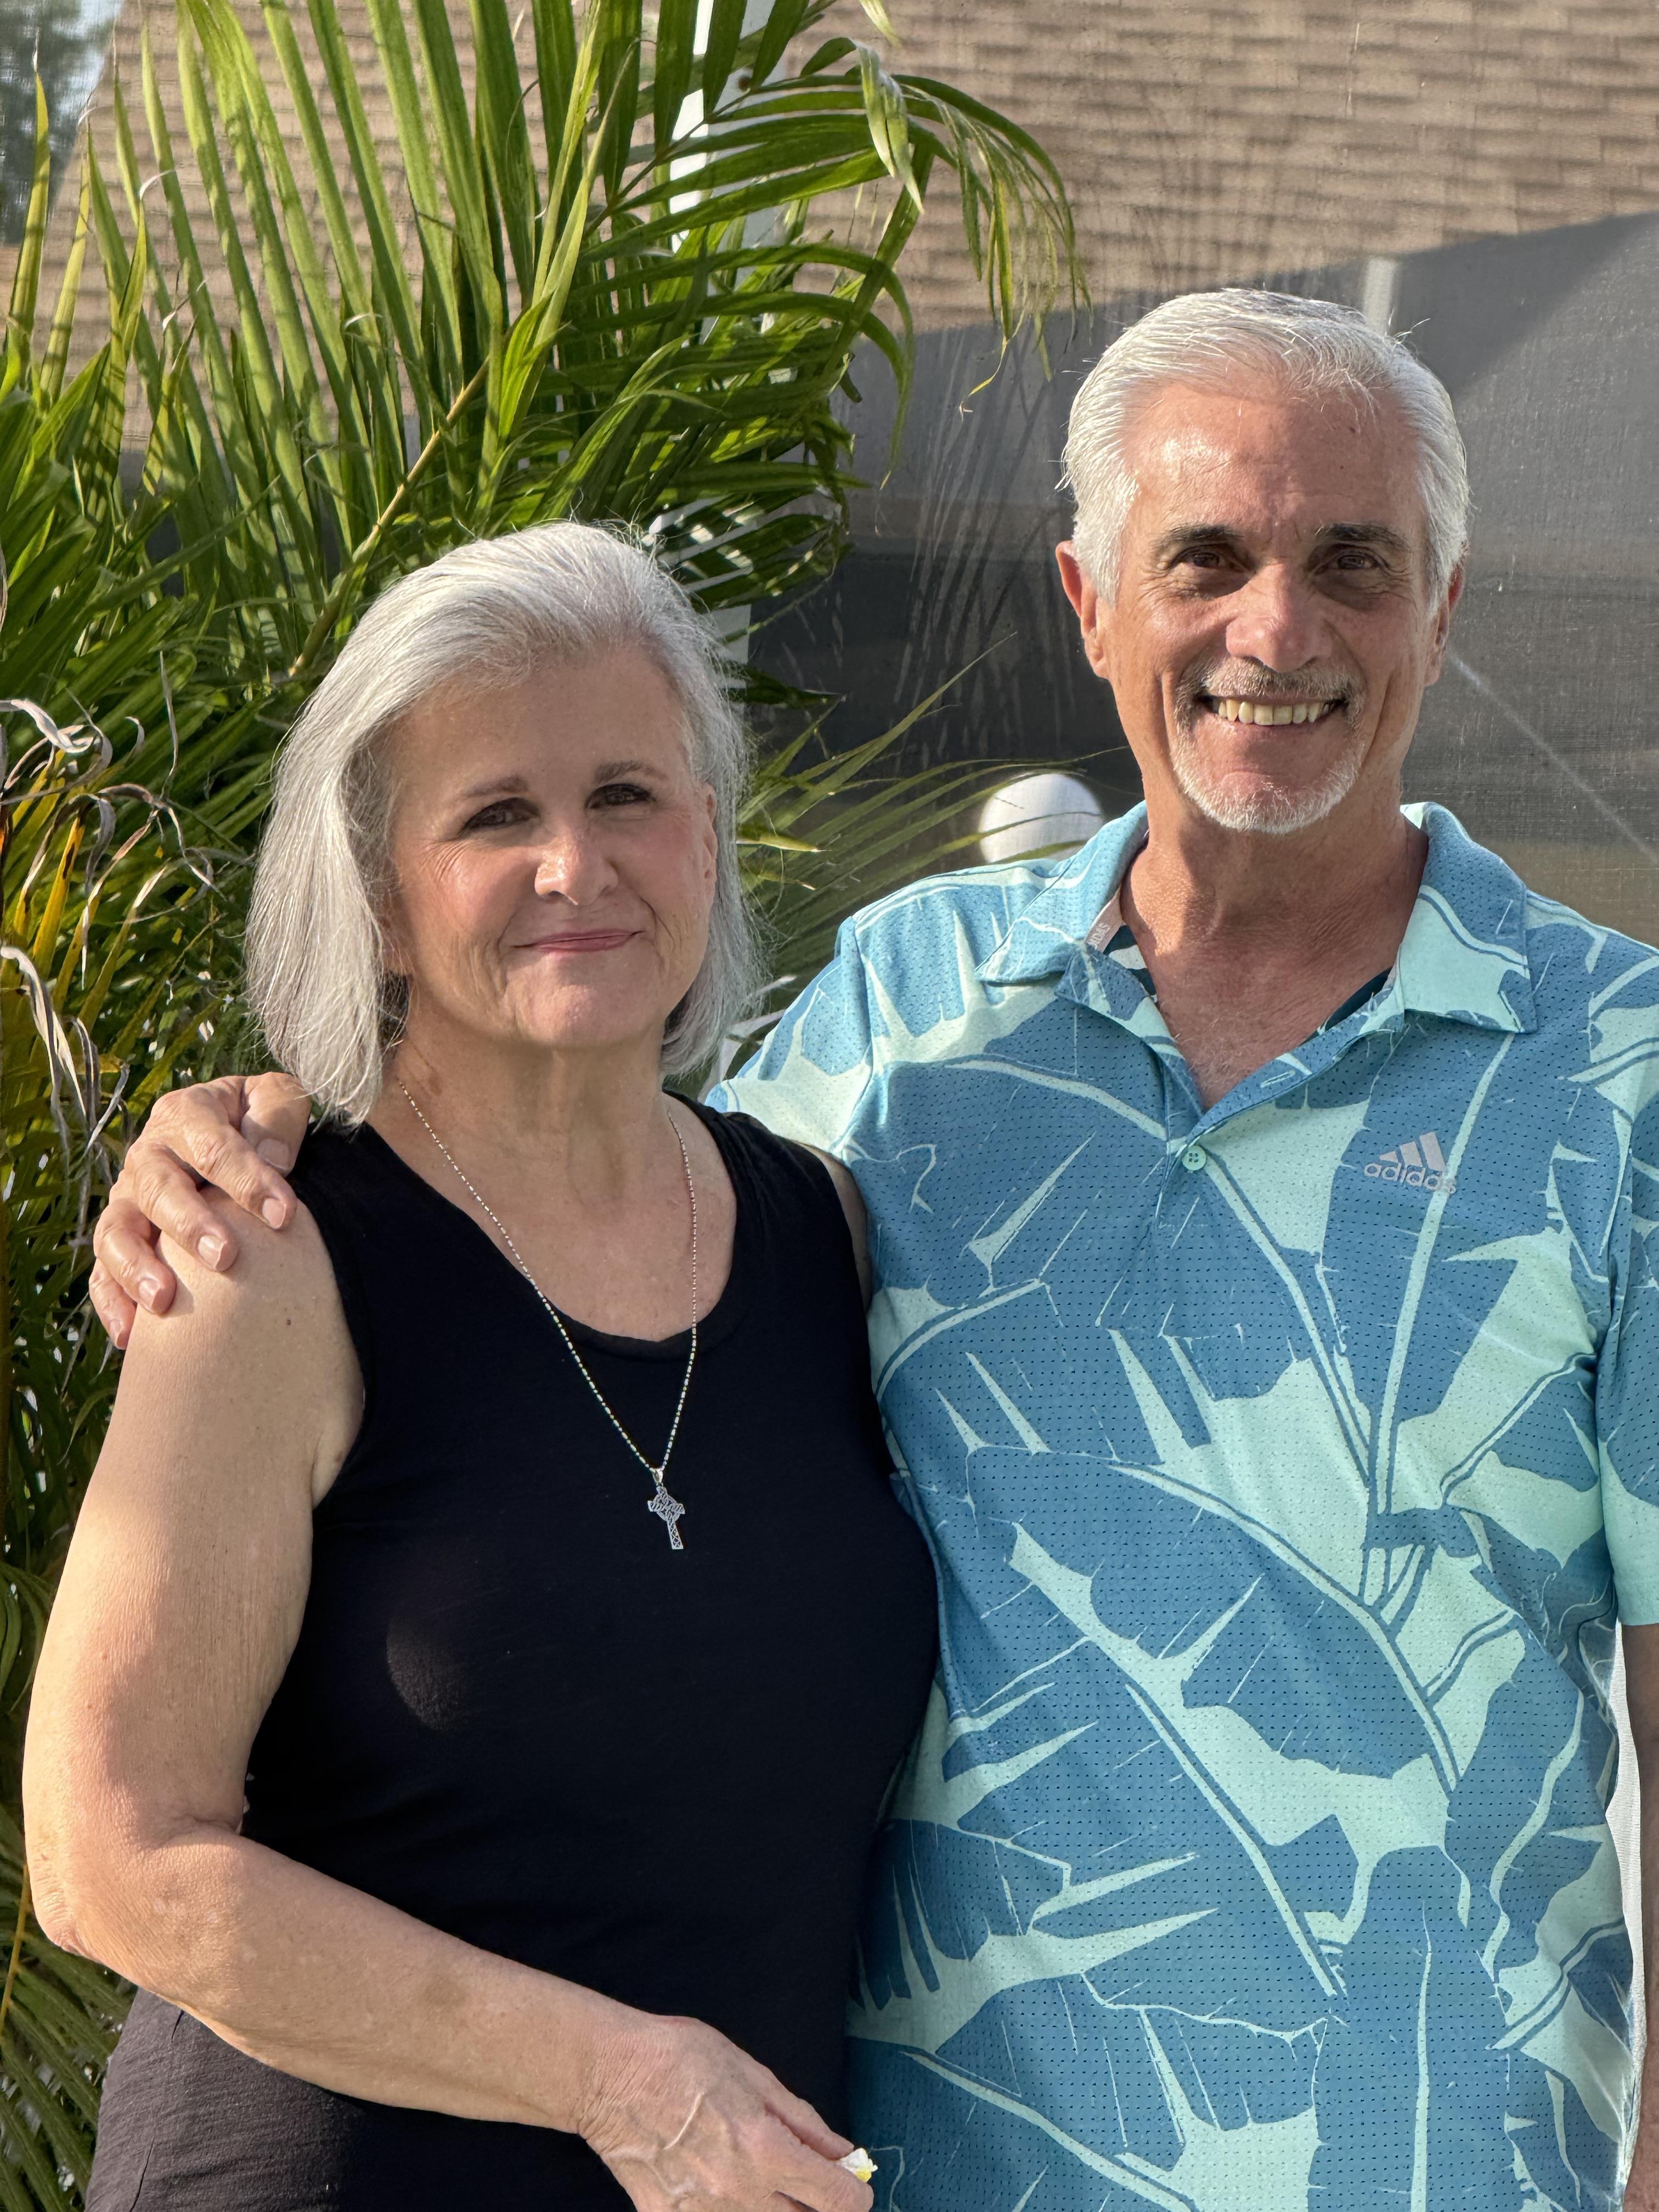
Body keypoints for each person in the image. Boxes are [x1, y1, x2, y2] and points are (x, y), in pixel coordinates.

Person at [86, 290, 1659, 2212]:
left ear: (1445, 604)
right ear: (1089, 603)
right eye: (1207, 560)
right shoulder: (908, 1019)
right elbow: (546, 1176)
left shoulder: (1627, 1082)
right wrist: (235, 1139)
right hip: (908, 2178)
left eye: (1354, 562)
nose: (1279, 629)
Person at [24, 524, 939, 2211]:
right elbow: (108, 1856)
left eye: (626, 796)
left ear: (709, 838)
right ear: (378, 900)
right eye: (496, 815)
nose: (574, 864)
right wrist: (619, 2081)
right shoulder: (262, 1254)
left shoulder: (828, 1235)